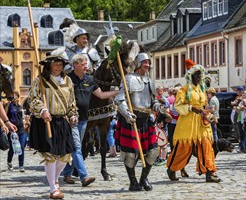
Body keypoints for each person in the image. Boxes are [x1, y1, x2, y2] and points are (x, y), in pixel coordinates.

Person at [62, 54, 119, 186]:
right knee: (76, 147)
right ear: (75, 65)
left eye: (86, 64)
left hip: (83, 120)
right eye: (83, 64)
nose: (86, 66)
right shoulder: (68, 80)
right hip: (71, 119)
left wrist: (117, 92)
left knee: (74, 147)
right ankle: (84, 176)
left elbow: (101, 94)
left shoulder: (89, 79)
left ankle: (67, 173)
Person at [29, 48, 78, 199]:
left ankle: (55, 180)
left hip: (62, 121)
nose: (58, 67)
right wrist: (42, 110)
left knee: (65, 156)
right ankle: (52, 188)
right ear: (49, 65)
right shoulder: (40, 81)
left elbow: (71, 101)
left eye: (61, 64)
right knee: (50, 155)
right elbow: (33, 99)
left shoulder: (68, 80)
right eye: (55, 64)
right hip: (46, 121)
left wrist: (73, 115)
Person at [166, 59, 220, 183]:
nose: (199, 77)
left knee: (206, 146)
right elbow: (178, 106)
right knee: (183, 149)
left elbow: (204, 107)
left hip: (201, 123)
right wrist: (191, 107)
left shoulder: (201, 90)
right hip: (187, 124)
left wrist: (211, 116)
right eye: (197, 75)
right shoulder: (183, 90)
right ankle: (171, 168)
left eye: (200, 74)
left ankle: (209, 172)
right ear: (191, 76)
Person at [115, 52, 160, 191]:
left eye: (148, 62)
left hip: (146, 120)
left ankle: (143, 178)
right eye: (145, 62)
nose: (147, 65)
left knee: (153, 152)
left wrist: (159, 108)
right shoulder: (128, 78)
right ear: (139, 63)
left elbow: (153, 102)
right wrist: (127, 114)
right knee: (130, 154)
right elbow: (120, 99)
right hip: (131, 120)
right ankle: (133, 181)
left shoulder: (150, 81)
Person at [6, 90, 27, 172]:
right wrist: (8, 103)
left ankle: (21, 165)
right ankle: (9, 161)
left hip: (21, 128)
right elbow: (5, 113)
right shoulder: (9, 105)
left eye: (15, 95)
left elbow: (23, 117)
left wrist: (25, 124)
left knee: (21, 146)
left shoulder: (20, 107)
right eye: (13, 95)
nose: (14, 97)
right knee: (12, 148)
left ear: (18, 97)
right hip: (12, 129)